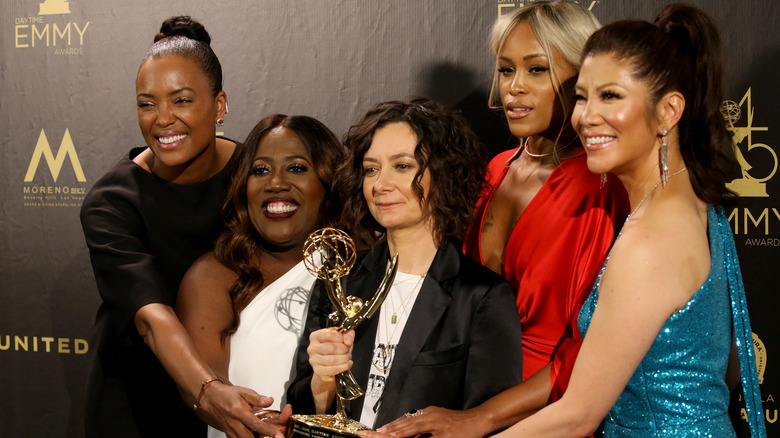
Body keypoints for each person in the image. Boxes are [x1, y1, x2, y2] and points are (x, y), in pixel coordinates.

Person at [493, 4, 766, 436]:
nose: (586, 117)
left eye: (611, 96)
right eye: (582, 96)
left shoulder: (652, 239)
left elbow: (576, 416)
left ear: (668, 111)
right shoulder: (691, 201)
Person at [372, 2, 628, 437]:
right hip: (462, 395)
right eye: (506, 71)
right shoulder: (495, 169)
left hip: (545, 410)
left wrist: (482, 418)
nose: (514, 88)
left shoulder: (601, 189)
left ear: (582, 77)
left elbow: (594, 347)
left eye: (537, 70)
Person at [80, 16, 283, 438]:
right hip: (142, 394)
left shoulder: (256, 177)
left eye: (182, 100)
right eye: (147, 103)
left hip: (243, 384)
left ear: (220, 104)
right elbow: (151, 317)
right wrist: (209, 391)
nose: (162, 119)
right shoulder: (112, 203)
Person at [286, 99, 524, 430]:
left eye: (402, 166)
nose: (381, 185)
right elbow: (300, 409)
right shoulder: (341, 280)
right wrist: (323, 381)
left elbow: (490, 427)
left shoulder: (482, 297)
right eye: (371, 169)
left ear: (444, 174)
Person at [176, 114, 346, 438]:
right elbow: (200, 381)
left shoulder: (361, 271)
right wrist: (242, 413)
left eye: (296, 168)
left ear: (328, 182)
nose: (276, 183)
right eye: (260, 170)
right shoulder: (212, 277)